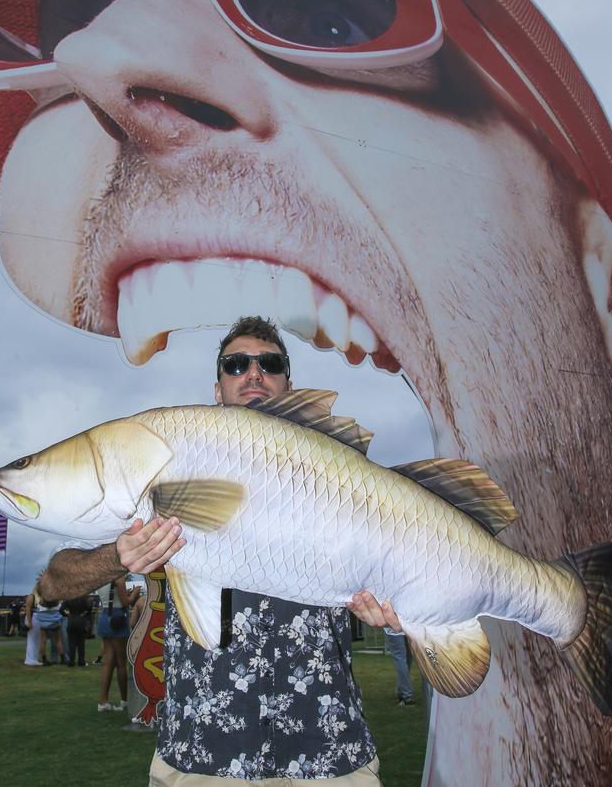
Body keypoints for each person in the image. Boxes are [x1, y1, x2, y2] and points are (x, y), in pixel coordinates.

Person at [0, 0, 612, 786]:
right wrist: (124, 555)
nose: (107, 60)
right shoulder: (158, 496)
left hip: (332, 764)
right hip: (193, 765)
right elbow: (54, 580)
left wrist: (414, 614)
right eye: (81, 10)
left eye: (328, 12)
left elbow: (454, 670)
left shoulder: (240, 462)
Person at [41, 317, 380, 781]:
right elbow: (56, 579)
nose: (253, 373)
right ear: (217, 389)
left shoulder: (342, 477)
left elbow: (393, 569)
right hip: (203, 754)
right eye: (236, 364)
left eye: (270, 363)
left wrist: (389, 608)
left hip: (328, 750)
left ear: (288, 383)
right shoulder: (157, 466)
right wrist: (119, 556)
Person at [95, 576, 131, 712]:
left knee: (108, 661)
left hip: (105, 615)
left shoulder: (101, 578)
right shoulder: (119, 578)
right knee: (121, 662)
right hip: (118, 618)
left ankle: (103, 702)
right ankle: (124, 700)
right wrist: (134, 593)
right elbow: (125, 602)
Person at [382, 627, 414, 707]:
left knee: (401, 658)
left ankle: (405, 694)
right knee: (406, 659)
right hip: (408, 625)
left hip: (395, 628)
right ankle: (404, 693)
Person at [62, 594, 92, 667]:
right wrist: (84, 614)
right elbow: (89, 608)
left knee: (71, 643)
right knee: (81, 643)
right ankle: (81, 661)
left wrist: (67, 614)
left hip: (71, 620)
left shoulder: (68, 598)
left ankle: (71, 661)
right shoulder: (83, 598)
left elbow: (61, 610)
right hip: (81, 620)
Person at [23, 589, 42, 667]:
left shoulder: (40, 597)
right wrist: (29, 622)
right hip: (32, 617)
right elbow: (28, 609)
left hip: (38, 618)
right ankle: (30, 659)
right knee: (32, 639)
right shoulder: (32, 597)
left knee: (36, 640)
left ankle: (34, 658)